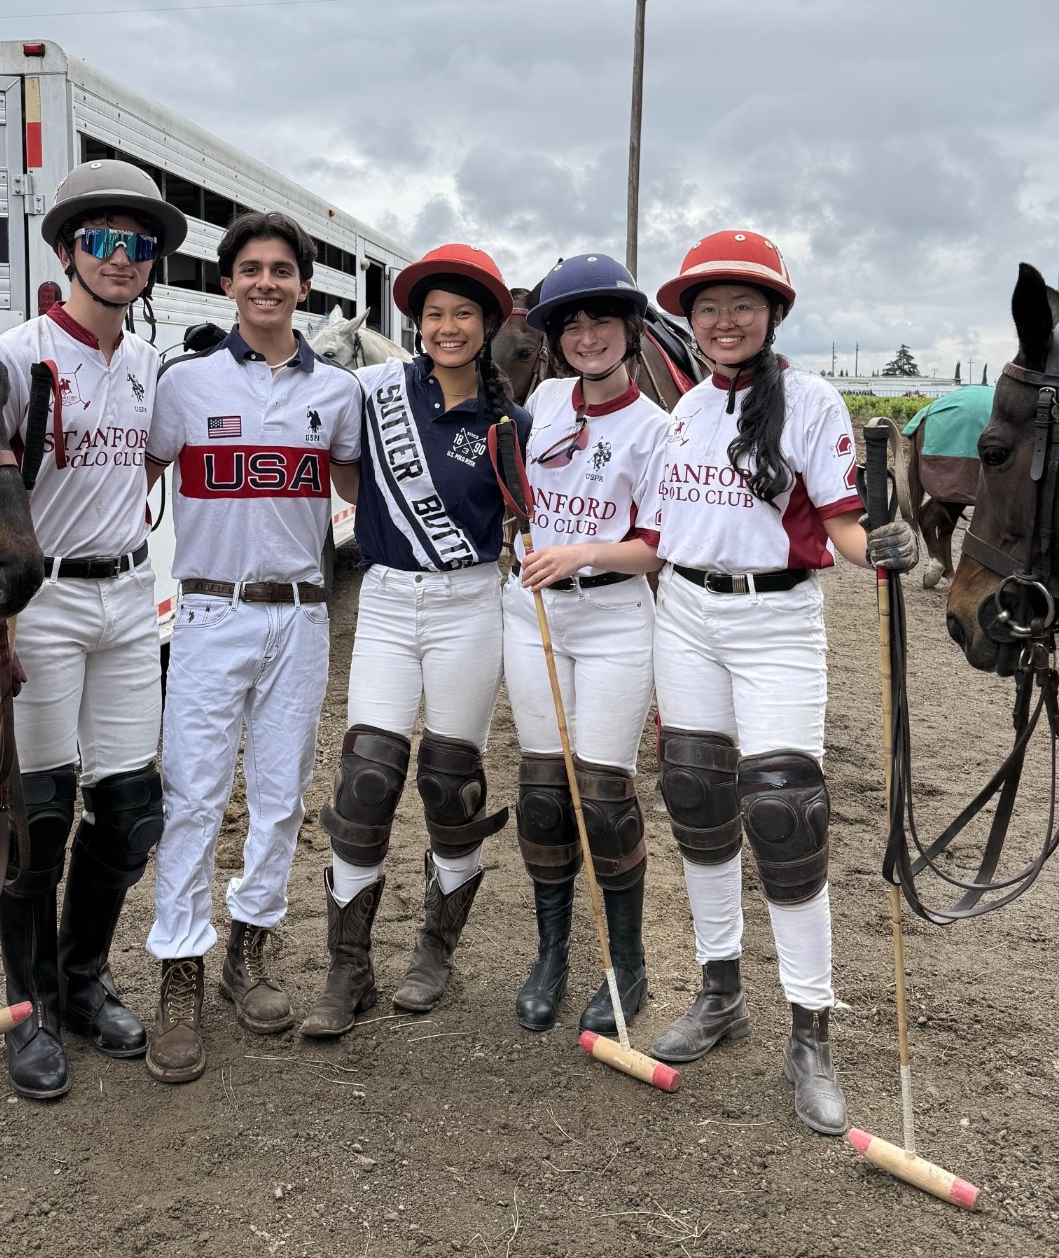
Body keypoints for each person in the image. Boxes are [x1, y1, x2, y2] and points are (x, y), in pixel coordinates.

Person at [642, 230, 918, 1134]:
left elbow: (840, 523)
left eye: (743, 305)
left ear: (773, 314)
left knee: (786, 813)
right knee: (694, 795)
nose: (724, 320)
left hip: (774, 621)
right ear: (690, 319)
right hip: (683, 615)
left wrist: (877, 545)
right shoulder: (683, 409)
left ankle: (812, 1034)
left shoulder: (810, 398)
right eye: (708, 306)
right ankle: (720, 992)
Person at [142, 211, 362, 1084]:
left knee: (279, 796)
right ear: (227, 282)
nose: (266, 282)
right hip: (207, 613)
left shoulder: (337, 392)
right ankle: (180, 973)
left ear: (304, 287)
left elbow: (352, 480)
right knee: (193, 794)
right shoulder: (184, 384)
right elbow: (132, 470)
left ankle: (251, 952)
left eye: (282, 270)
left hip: (302, 615)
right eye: (250, 269)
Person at [0, 159, 187, 1099]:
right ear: (66, 250)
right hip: (44, 604)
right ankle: (26, 1014)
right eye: (102, 241)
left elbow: (146, 471)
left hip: (128, 598)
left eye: (138, 245)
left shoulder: (151, 366)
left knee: (130, 808)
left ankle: (79, 978)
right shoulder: (14, 358)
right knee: (38, 816)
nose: (121, 258)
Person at [300, 245, 530, 1039]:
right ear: (416, 324)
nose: (447, 326)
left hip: (471, 603)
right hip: (390, 600)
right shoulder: (375, 390)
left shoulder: (510, 421)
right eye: (434, 314)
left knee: (448, 782)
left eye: (463, 314)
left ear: (487, 326)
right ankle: (347, 966)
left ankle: (436, 945)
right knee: (365, 778)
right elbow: (350, 476)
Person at [501, 254, 669, 1037]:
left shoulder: (655, 428)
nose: (587, 335)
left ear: (628, 330)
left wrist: (584, 552)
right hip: (532, 613)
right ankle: (550, 954)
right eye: (572, 323)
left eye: (602, 320)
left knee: (602, 795)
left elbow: (657, 548)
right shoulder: (539, 401)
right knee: (541, 790)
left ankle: (626, 966)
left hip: (611, 616)